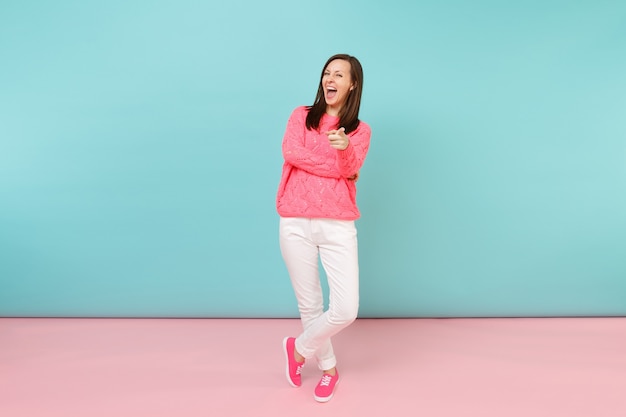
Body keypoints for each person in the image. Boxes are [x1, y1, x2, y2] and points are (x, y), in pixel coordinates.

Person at [276, 54, 371, 402]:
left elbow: (351, 167)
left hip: (337, 224)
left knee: (345, 308)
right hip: (295, 221)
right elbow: (291, 152)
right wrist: (338, 167)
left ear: (352, 85)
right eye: (326, 73)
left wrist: (344, 153)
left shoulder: (359, 130)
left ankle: (298, 349)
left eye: (338, 75)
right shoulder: (301, 116)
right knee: (310, 304)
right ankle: (328, 369)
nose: (329, 79)